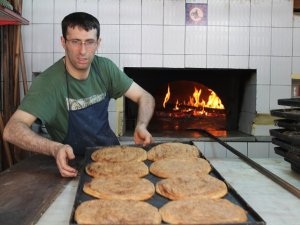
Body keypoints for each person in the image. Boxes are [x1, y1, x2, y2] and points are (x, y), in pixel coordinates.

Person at [3, 12, 155, 178]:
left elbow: (145, 97)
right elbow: (11, 130)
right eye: (75, 42)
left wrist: (141, 125)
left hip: (113, 156)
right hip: (75, 165)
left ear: (98, 43)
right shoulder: (49, 83)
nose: (83, 51)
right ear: (63, 42)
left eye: (89, 42)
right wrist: (54, 148)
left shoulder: (105, 69)